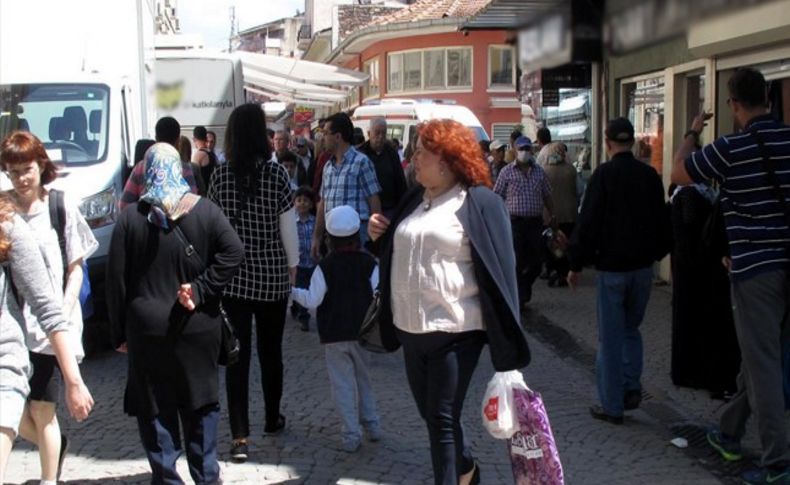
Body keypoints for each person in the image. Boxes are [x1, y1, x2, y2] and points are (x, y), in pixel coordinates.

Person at [367, 119, 531, 485]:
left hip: (457, 329)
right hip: (411, 329)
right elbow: (401, 247)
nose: (413, 158)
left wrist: (508, 348)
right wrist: (379, 233)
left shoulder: (479, 201)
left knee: (441, 420)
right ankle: (467, 470)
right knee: (433, 416)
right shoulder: (415, 198)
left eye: (421, 152)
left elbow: (503, 268)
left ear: (446, 158)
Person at [671, 67, 790, 484]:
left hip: (756, 270)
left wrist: (691, 131)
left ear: (733, 104)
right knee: (762, 361)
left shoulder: (732, 148)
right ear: (768, 99)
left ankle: (778, 464)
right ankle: (729, 430)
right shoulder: (787, 139)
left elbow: (679, 173)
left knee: (763, 366)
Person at [107, 143, 244, 484]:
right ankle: (206, 475)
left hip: (147, 331)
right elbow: (234, 251)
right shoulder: (206, 211)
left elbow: (115, 282)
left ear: (145, 171)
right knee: (200, 406)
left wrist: (119, 334)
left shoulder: (129, 219)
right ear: (180, 170)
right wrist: (201, 289)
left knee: (155, 409)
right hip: (197, 328)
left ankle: (168, 477)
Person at [1, 131, 99, 485]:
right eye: (12, 172)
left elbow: (75, 267)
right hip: (13, 326)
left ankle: (48, 479)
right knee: (15, 408)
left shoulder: (58, 206)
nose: (21, 178)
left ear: (41, 165)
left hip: (51, 329)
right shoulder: (4, 209)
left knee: (42, 410)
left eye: (26, 169)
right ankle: (52, 446)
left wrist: (62, 309)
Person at [207, 103, 299, 463]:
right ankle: (273, 417)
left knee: (236, 358)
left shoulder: (219, 176)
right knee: (271, 352)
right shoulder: (276, 177)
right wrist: (293, 267)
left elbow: (213, 228)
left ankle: (240, 437)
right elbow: (288, 228)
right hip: (272, 276)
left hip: (233, 280)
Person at [567, 117, 672, 425]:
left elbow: (588, 223)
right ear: (634, 142)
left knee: (610, 338)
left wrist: (575, 264)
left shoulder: (603, 175)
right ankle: (630, 387)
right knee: (631, 330)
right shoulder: (649, 175)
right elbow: (663, 221)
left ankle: (612, 406)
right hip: (641, 268)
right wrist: (656, 255)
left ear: (608, 141)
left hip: (612, 269)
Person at [291, 205, 381, 453]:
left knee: (342, 384)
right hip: (363, 332)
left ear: (330, 238)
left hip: (334, 334)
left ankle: (351, 434)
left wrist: (291, 292)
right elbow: (379, 295)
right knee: (365, 379)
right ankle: (372, 425)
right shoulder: (369, 263)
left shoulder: (325, 267)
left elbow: (312, 300)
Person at [669, 182, 739, 397]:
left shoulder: (691, 194)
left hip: (694, 269)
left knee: (695, 321)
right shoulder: (696, 194)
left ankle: (695, 371)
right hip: (700, 269)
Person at [493, 135, 554, 306]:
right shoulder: (507, 172)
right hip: (515, 223)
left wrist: (553, 215)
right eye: (521, 149)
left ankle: (524, 286)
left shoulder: (539, 172)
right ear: (515, 151)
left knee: (537, 261)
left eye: (527, 149)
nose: (525, 152)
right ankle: (518, 294)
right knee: (517, 260)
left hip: (535, 222)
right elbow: (497, 196)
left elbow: (547, 195)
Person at [311, 112, 381, 259]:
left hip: (357, 238)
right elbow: (323, 203)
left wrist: (377, 238)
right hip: (332, 239)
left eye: (325, 133)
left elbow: (374, 201)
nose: (322, 138)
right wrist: (316, 237)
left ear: (338, 137)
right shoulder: (328, 167)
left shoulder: (362, 162)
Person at [121, 117, 199, 209]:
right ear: (178, 141)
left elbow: (124, 205)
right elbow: (192, 207)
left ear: (156, 139)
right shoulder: (185, 169)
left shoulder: (140, 167)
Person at [543, 142, 578, 287]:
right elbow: (578, 190)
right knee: (566, 243)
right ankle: (565, 271)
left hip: (550, 215)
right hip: (569, 213)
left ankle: (553, 269)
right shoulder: (571, 170)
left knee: (552, 244)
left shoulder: (544, 171)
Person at [358, 118, 408, 219]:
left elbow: (400, 182)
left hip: (389, 209)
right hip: (365, 209)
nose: (380, 137)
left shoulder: (391, 153)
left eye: (383, 133)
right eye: (377, 133)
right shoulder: (361, 153)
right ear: (369, 133)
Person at [291, 186, 317, 332]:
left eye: (305, 201)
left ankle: (301, 309)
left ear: (311, 204)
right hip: (299, 263)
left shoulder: (314, 222)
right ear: (294, 203)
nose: (302, 203)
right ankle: (303, 317)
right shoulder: (292, 223)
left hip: (312, 262)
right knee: (300, 289)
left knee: (309, 289)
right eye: (299, 200)